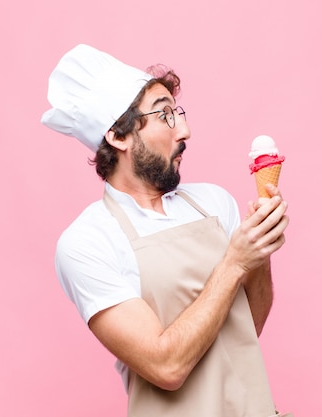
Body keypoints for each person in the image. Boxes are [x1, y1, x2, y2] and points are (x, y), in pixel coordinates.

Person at [41, 44, 292, 417]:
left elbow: (246, 327)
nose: (186, 130)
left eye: (179, 113)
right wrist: (235, 263)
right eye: (165, 115)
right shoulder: (88, 243)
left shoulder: (213, 202)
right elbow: (165, 367)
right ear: (118, 136)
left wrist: (259, 251)